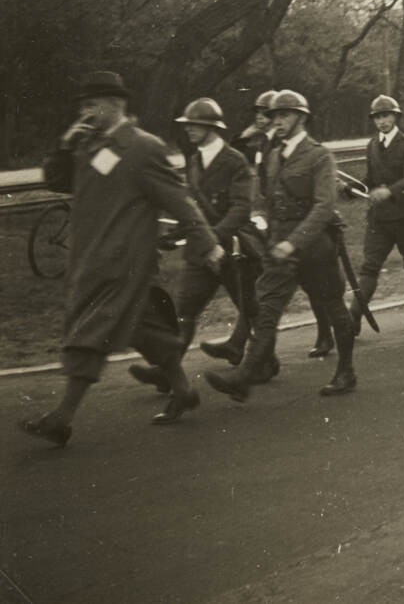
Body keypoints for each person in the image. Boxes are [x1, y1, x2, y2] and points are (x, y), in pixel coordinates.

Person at [22, 72, 224, 445]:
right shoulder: (88, 146)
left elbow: (180, 200)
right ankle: (182, 390)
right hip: (93, 261)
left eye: (90, 105)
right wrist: (65, 146)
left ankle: (61, 418)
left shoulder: (143, 147)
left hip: (121, 265)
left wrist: (208, 243)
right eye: (82, 106)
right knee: (143, 329)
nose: (84, 112)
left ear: (115, 106)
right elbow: (59, 182)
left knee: (89, 333)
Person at [205, 91, 357, 402]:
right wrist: (266, 228)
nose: (278, 122)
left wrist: (294, 243)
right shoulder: (273, 155)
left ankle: (346, 370)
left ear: (301, 118)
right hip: (279, 247)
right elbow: (266, 200)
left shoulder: (318, 156)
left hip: (315, 247)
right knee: (266, 309)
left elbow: (324, 207)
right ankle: (244, 376)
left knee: (333, 307)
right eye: (274, 117)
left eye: (285, 115)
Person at [161, 99, 266, 381]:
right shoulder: (194, 160)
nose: (190, 130)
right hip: (201, 253)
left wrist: (213, 238)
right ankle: (167, 371)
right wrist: (176, 234)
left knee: (251, 309)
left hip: (232, 251)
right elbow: (192, 208)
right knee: (184, 310)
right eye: (187, 125)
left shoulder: (235, 161)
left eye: (196, 125)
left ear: (211, 127)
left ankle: (265, 361)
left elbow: (241, 208)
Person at [350, 94, 404, 335]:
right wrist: (352, 189)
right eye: (378, 117)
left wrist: (389, 191)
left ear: (396, 117)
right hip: (379, 218)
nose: (382, 121)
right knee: (369, 267)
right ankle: (352, 319)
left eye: (386, 116)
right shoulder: (372, 145)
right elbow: (370, 179)